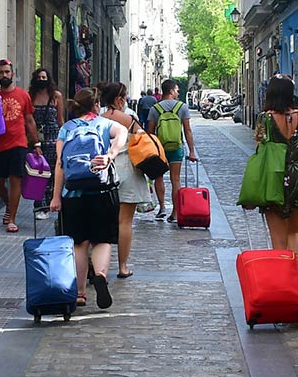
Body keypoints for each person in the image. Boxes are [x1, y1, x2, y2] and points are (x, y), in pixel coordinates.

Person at [50, 87, 128, 308]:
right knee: (102, 240)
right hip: (102, 191)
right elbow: (123, 132)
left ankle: (80, 293)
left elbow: (60, 164)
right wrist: (110, 155)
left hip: (73, 194)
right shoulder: (103, 124)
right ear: (96, 106)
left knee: (79, 244)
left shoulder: (67, 128)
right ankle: (101, 275)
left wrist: (56, 196)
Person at [249, 75, 298, 273]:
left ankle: (284, 283)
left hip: (274, 178)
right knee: (294, 233)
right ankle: (296, 284)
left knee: (278, 238)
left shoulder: (265, 118)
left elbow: (259, 148)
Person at [99, 82, 150, 279]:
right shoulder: (128, 119)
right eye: (125, 97)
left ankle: (98, 268)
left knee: (101, 221)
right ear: (119, 99)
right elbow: (143, 139)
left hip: (103, 171)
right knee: (125, 222)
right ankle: (122, 267)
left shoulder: (98, 118)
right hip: (127, 169)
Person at [0, 58, 42, 233]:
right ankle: (9, 206)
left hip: (18, 143)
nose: (4, 75)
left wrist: (37, 143)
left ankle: (12, 218)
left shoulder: (23, 95)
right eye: (1, 72)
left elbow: (30, 120)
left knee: (15, 179)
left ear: (13, 74)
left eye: (7, 72)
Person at [148, 79, 198, 222]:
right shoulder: (182, 107)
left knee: (159, 177)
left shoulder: (155, 109)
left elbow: (150, 132)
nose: (177, 92)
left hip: (160, 149)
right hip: (176, 147)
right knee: (175, 180)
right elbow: (187, 131)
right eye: (176, 90)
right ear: (171, 91)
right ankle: (175, 213)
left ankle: (162, 207)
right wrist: (192, 151)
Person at [29, 68, 65, 219]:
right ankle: (39, 205)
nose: (42, 79)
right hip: (36, 138)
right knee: (37, 172)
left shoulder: (56, 96)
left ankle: (49, 203)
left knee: (51, 172)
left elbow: (60, 119)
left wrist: (64, 139)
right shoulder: (30, 97)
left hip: (53, 138)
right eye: (39, 77)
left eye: (44, 77)